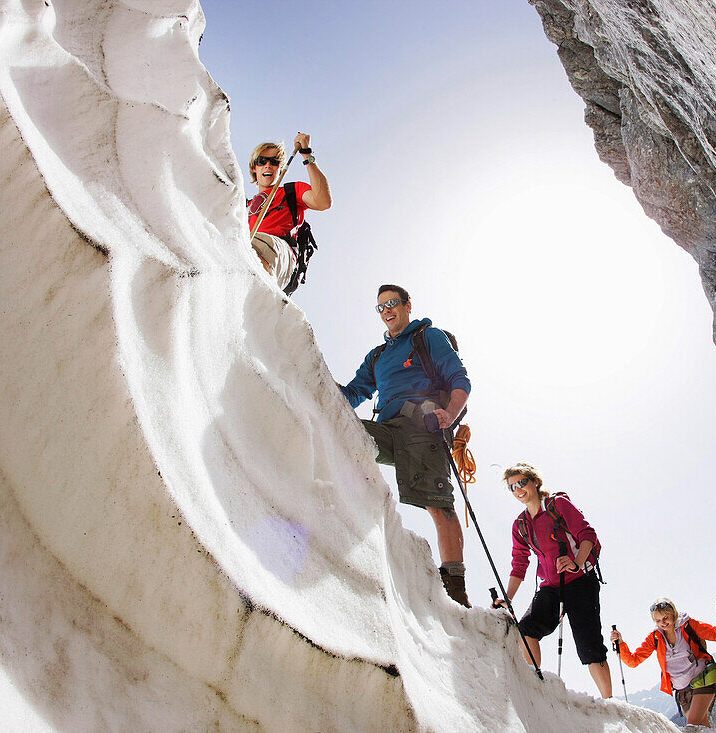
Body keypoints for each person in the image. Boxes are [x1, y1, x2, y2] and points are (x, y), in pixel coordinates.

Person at [340, 285, 472, 607]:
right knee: (341, 431)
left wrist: (448, 415)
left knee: (439, 505)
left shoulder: (428, 336)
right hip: (387, 428)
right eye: (381, 306)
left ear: (407, 305)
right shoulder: (378, 356)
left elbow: (460, 380)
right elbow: (356, 391)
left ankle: (456, 588)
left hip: (421, 426)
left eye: (392, 303)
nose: (386, 310)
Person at [492, 463, 612, 698]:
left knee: (590, 648)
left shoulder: (558, 505)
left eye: (521, 483)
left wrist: (576, 562)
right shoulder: (520, 525)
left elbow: (588, 535)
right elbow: (519, 563)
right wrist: (507, 598)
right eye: (511, 487)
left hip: (580, 581)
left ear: (535, 481)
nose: (518, 490)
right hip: (550, 587)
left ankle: (610, 705)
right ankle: (537, 689)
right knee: (526, 630)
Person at [610, 598, 716, 726]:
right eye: (658, 620)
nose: (663, 622)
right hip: (682, 689)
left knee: (693, 725)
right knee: (701, 727)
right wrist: (621, 644)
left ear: (673, 614)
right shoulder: (655, 637)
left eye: (666, 617)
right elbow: (633, 661)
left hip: (703, 678)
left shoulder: (688, 625)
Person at [246, 132, 331, 290]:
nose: (268, 165)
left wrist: (307, 154)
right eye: (262, 161)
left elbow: (323, 201)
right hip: (248, 247)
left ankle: (263, 293)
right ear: (254, 167)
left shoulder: (291, 191)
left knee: (250, 246)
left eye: (274, 161)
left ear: (280, 168)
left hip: (280, 253)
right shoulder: (243, 206)